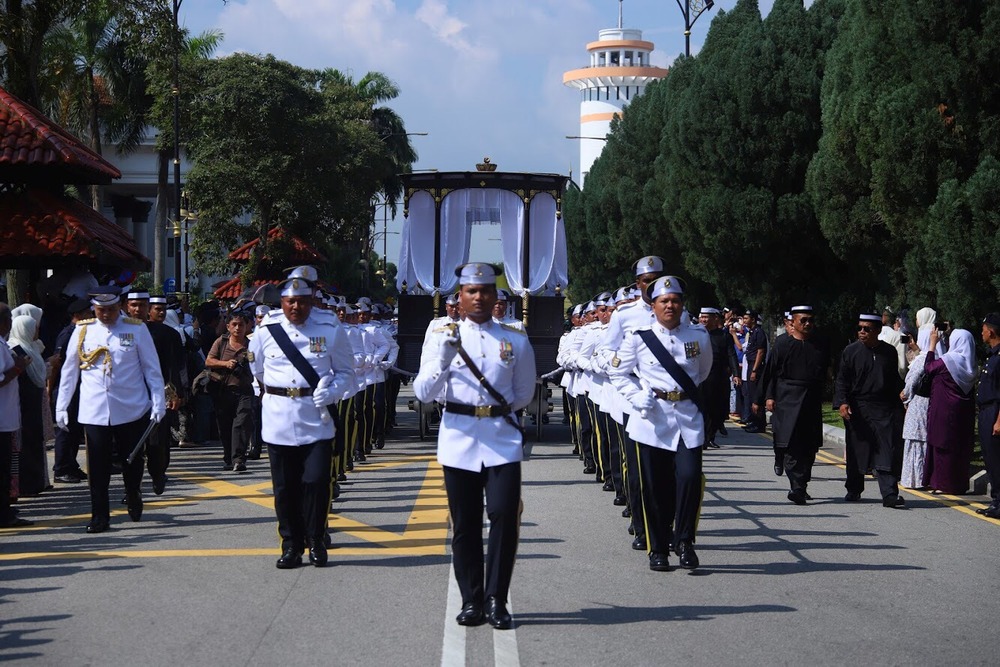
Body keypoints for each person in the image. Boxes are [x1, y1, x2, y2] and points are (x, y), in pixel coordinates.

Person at [414, 262, 536, 629]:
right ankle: (471, 600)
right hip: (459, 438)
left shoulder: (515, 339)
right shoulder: (441, 338)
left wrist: (493, 413)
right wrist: (444, 361)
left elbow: (523, 393)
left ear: (496, 296)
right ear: (460, 298)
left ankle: (497, 598)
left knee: (503, 516)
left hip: (500, 438)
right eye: (471, 291)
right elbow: (423, 392)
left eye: (486, 291)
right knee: (465, 524)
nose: (479, 297)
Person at [248, 268, 354, 569]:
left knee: (316, 482)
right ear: (282, 302)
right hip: (279, 418)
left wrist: (332, 392)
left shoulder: (330, 327)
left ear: (312, 301)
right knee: (284, 488)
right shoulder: (267, 330)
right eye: (290, 301)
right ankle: (291, 545)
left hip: (316, 417)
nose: (296, 307)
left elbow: (346, 372)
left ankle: (317, 539)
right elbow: (256, 370)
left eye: (303, 301)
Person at [608, 275, 712, 571]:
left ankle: (685, 541)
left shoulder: (698, 336)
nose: (670, 305)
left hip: (687, 419)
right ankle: (658, 548)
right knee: (655, 487)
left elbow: (702, 372)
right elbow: (619, 373)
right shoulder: (639, 337)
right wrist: (636, 395)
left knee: (690, 479)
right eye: (664, 301)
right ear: (652, 305)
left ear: (682, 305)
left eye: (675, 300)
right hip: (652, 421)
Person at [56, 289, 166, 533]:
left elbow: (151, 368)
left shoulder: (136, 329)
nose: (106, 314)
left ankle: (133, 492)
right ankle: (100, 516)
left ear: (120, 307)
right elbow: (69, 372)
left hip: (131, 407)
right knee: (97, 466)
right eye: (100, 310)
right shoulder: (83, 330)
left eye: (111, 310)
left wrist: (158, 400)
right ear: (93, 309)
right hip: (94, 409)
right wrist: (62, 406)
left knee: (132, 460)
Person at [757, 306, 830, 504]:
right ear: (794, 322)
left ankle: (802, 484)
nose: (808, 324)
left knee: (809, 446)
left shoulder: (819, 345)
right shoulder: (782, 345)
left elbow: (824, 374)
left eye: (810, 320)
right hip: (787, 399)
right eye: (803, 320)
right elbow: (770, 373)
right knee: (790, 444)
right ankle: (796, 486)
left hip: (811, 401)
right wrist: (764, 398)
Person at [833, 313, 906, 508]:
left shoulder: (889, 352)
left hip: (883, 407)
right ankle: (854, 488)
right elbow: (842, 380)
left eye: (867, 329)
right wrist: (842, 402)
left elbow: (893, 380)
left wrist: (903, 397)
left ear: (878, 331)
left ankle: (890, 493)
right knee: (858, 450)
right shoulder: (850, 351)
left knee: (886, 449)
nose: (862, 332)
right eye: (860, 328)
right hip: (858, 407)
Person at [128, 291, 184, 495]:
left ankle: (158, 473)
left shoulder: (168, 334)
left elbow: (175, 366)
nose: (160, 313)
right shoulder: (123, 331)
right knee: (131, 442)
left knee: (157, 441)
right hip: (131, 395)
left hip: (157, 393)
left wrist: (177, 393)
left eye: (163, 309)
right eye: (157, 309)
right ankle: (132, 488)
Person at [921, 327, 975, 495]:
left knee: (942, 445)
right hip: (963, 411)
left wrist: (932, 345)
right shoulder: (971, 364)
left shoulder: (949, 360)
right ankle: (958, 484)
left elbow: (928, 368)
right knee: (959, 447)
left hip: (944, 409)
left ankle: (943, 484)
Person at [48, 297, 92, 483]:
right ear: (77, 315)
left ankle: (71, 465)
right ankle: (61, 468)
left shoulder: (85, 332)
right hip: (66, 388)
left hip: (79, 388)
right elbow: (58, 364)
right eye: (88, 313)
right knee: (65, 430)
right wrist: (50, 389)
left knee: (74, 429)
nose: (91, 316)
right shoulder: (68, 334)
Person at [206, 311, 256, 472]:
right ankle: (228, 456)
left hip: (245, 390)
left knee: (242, 423)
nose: (237, 328)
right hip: (224, 390)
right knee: (225, 426)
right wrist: (225, 364)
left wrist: (262, 389)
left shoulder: (251, 346)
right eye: (234, 324)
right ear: (228, 326)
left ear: (247, 326)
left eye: (241, 325)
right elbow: (209, 361)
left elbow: (259, 367)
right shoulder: (221, 342)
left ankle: (239, 459)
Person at [8, 314, 48, 496]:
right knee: (26, 445)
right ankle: (28, 485)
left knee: (34, 442)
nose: (36, 332)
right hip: (22, 405)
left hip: (32, 403)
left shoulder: (30, 348)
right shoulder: (16, 348)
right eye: (33, 328)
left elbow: (38, 374)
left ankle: (37, 482)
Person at [0, 304, 32, 528]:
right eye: (8, 320)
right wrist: (18, 368)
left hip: (6, 416)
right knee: (1, 469)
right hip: (1, 419)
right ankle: (4, 514)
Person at [698, 307, 738, 449]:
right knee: (701, 409)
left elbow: (731, 354)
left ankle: (710, 436)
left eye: (706, 317)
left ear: (715, 319)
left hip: (718, 376)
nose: (703, 320)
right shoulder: (695, 334)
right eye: (702, 317)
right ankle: (702, 438)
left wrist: (736, 374)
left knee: (717, 410)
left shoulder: (723, 336)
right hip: (700, 377)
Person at [900, 327, 933, 488]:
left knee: (915, 439)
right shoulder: (932, 357)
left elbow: (911, 382)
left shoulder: (921, 360)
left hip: (918, 403)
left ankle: (914, 479)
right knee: (923, 439)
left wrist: (905, 396)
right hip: (928, 404)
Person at [976, 313, 1000, 517]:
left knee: (996, 459)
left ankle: (999, 503)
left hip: (995, 412)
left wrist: (999, 420)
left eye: (983, 329)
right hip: (985, 411)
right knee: (990, 459)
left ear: (991, 331)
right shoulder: (992, 355)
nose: (981, 332)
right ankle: (996, 502)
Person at [741, 310, 767, 433]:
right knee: (751, 395)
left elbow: (760, 352)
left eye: (746, 318)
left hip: (755, 366)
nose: (744, 321)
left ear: (753, 319)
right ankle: (754, 421)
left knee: (757, 396)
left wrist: (755, 370)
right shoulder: (751, 332)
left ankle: (760, 424)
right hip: (750, 364)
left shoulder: (759, 332)